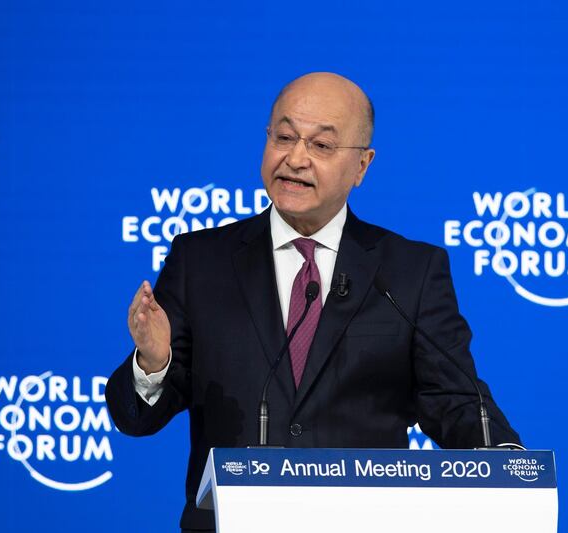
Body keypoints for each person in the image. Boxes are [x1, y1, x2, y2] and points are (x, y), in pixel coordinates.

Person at [106, 72, 520, 532]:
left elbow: (457, 401)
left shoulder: (409, 271)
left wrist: (508, 468)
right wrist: (153, 361)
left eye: (321, 146)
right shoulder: (200, 260)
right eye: (284, 137)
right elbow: (135, 418)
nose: (295, 158)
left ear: (362, 166)